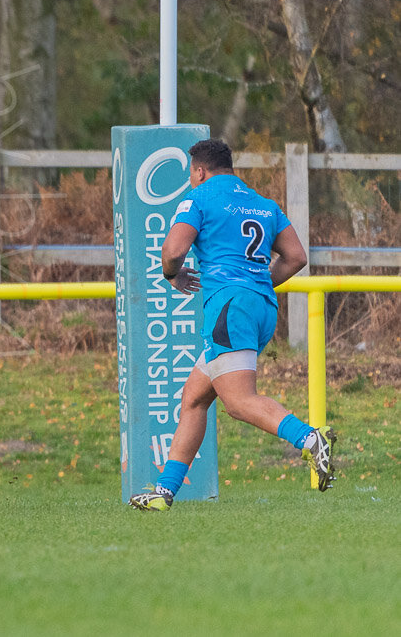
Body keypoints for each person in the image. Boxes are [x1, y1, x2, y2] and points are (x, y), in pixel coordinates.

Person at [131, 139, 335, 511]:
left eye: (192, 175)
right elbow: (295, 257)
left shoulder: (200, 198)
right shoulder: (263, 203)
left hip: (230, 307)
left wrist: (172, 276)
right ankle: (164, 493)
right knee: (193, 398)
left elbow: (173, 251)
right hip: (261, 308)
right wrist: (255, 285)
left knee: (238, 402)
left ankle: (309, 439)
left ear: (199, 170)